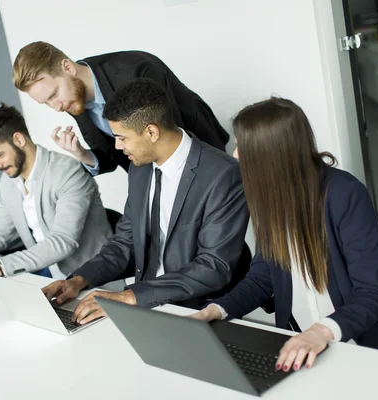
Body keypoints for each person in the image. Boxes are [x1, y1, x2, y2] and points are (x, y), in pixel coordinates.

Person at [189, 97, 378, 369]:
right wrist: (216, 310)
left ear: (270, 153)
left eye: (242, 146)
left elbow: (375, 293)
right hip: (312, 352)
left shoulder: (344, 194)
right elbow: (262, 277)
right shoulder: (270, 198)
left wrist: (320, 332)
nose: (235, 155)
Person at [41, 78, 249, 325]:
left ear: (151, 132)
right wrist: (79, 280)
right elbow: (125, 242)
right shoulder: (140, 169)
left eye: (122, 138)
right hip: (141, 305)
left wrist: (129, 297)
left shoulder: (223, 174)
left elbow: (213, 267)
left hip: (195, 312)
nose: (117, 146)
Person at [0, 103, 112, 287]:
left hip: (94, 283)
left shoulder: (67, 172)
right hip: (53, 278)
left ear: (18, 139)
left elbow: (63, 241)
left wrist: (0, 267)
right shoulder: (9, 181)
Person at [12, 41, 229, 175]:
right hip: (158, 179)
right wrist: (81, 154)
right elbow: (112, 156)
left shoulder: (137, 70)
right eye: (46, 103)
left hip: (203, 158)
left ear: (68, 67)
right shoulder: (72, 99)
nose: (56, 107)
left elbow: (173, 137)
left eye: (53, 95)